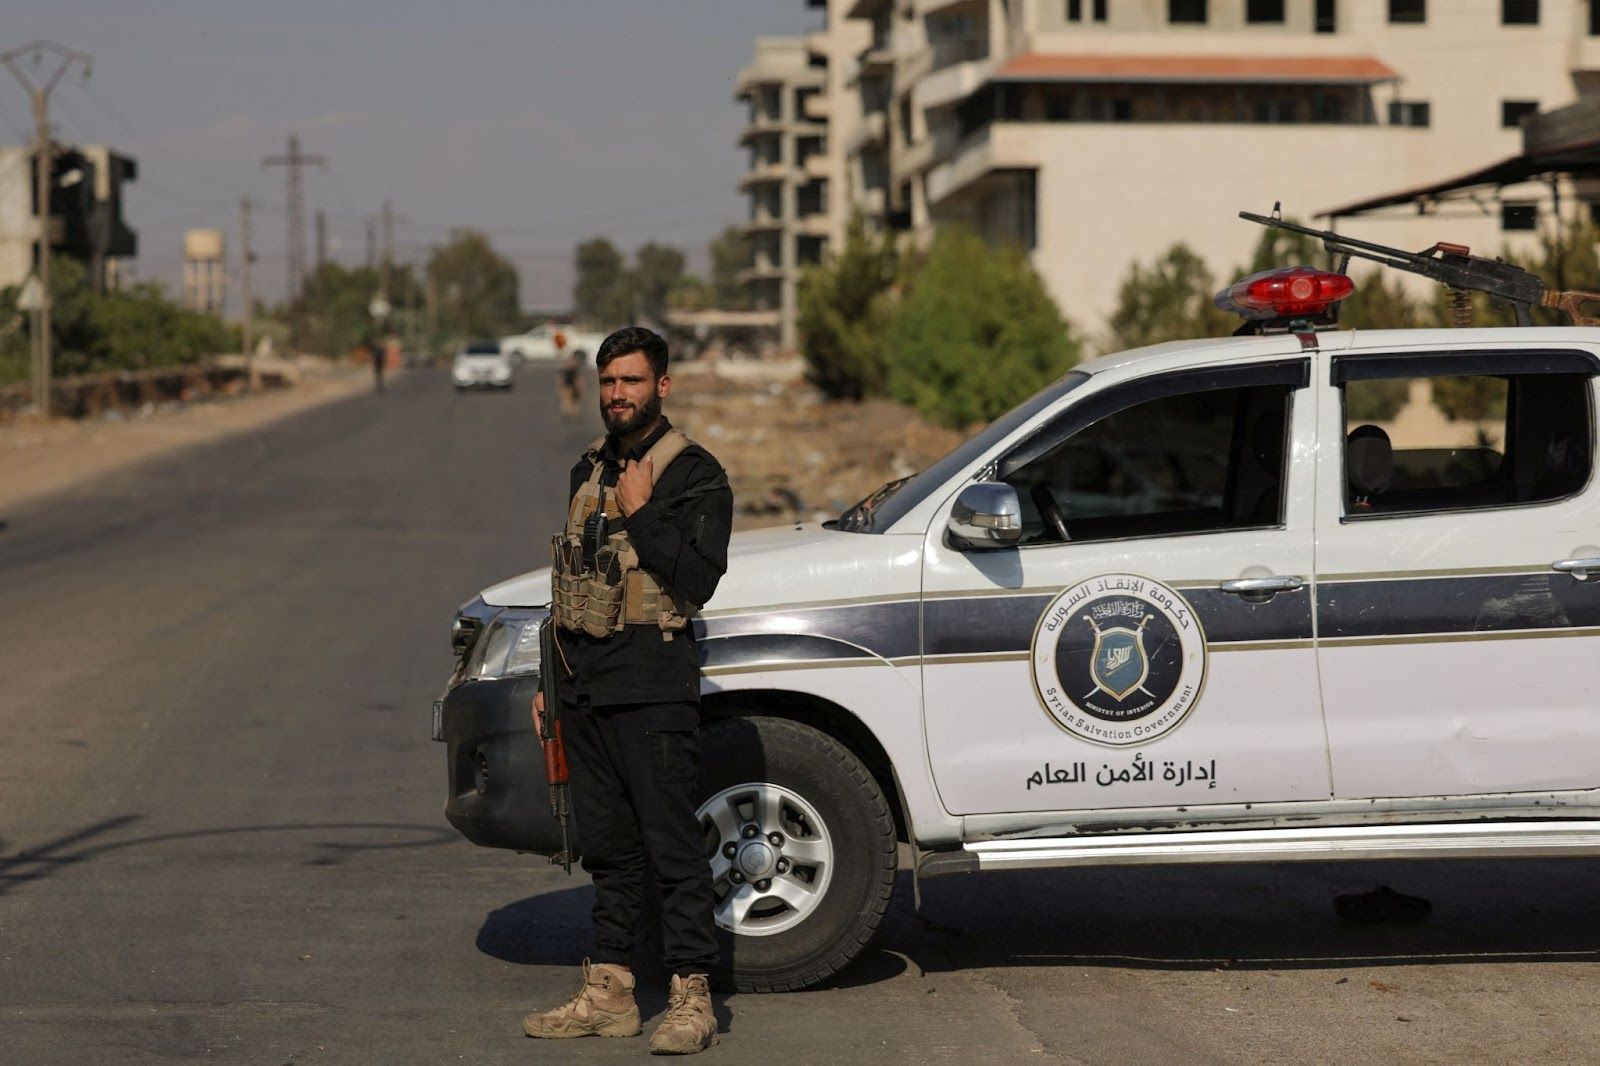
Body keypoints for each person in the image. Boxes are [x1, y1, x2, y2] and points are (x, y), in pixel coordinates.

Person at [524, 326, 733, 1055]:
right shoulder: (586, 470)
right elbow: (569, 586)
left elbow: (699, 581)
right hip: (585, 693)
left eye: (632, 382)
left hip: (653, 690)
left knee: (673, 847)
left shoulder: (694, 473)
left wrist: (644, 512)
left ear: (662, 387)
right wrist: (550, 684)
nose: (618, 395)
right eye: (610, 382)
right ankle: (611, 992)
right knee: (609, 851)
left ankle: (690, 997)